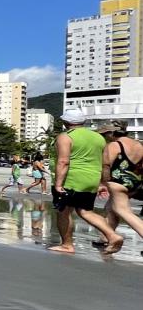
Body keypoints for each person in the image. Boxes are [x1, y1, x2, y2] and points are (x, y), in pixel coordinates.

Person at [49, 109, 121, 254]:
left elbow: (63, 161)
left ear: (65, 122)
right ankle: (112, 236)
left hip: (71, 179)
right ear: (83, 122)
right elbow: (103, 162)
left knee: (63, 211)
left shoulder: (65, 137)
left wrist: (58, 184)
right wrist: (102, 183)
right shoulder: (98, 138)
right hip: (92, 179)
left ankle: (67, 245)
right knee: (86, 211)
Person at [96, 120, 143, 251]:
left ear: (112, 133)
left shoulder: (113, 145)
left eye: (105, 134)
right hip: (134, 182)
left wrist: (102, 184)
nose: (105, 137)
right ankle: (105, 238)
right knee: (110, 208)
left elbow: (105, 166)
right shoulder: (138, 145)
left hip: (117, 182)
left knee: (123, 211)